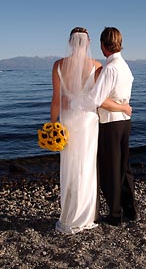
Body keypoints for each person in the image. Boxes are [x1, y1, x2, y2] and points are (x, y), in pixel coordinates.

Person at [50, 27, 132, 234]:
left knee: (69, 165)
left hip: (68, 120)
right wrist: (123, 107)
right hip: (87, 121)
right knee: (87, 166)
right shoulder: (96, 66)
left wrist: (52, 125)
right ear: (88, 43)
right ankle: (87, 214)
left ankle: (69, 214)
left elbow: (56, 100)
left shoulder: (58, 65)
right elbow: (101, 100)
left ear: (70, 42)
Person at [71, 27, 137, 227]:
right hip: (124, 123)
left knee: (110, 169)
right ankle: (131, 210)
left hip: (111, 123)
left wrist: (76, 101)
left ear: (103, 45)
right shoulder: (125, 65)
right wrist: (124, 107)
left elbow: (96, 99)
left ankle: (115, 215)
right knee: (124, 167)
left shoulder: (110, 68)